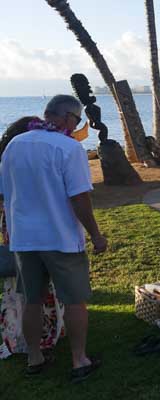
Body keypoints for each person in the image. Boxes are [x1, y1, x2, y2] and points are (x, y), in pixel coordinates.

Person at [0, 95, 107, 382]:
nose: (75, 127)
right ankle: (79, 360)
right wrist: (96, 235)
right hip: (60, 237)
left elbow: (5, 190)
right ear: (67, 118)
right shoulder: (69, 147)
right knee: (74, 301)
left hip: (23, 239)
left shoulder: (14, 145)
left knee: (31, 300)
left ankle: (35, 358)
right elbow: (80, 197)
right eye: (75, 121)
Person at [0, 116, 65, 363]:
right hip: (39, 226)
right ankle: (48, 332)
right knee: (43, 284)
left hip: (14, 226)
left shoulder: (8, 160)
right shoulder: (34, 159)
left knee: (21, 288)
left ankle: (22, 335)